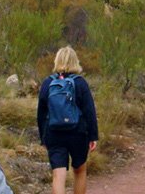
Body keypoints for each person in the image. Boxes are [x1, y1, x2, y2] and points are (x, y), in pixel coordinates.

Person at [37, 46, 99, 194]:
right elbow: (89, 111)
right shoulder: (80, 83)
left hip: (54, 133)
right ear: (75, 61)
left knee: (58, 175)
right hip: (77, 133)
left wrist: (43, 138)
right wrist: (93, 136)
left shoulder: (47, 83)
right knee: (80, 171)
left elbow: (41, 113)